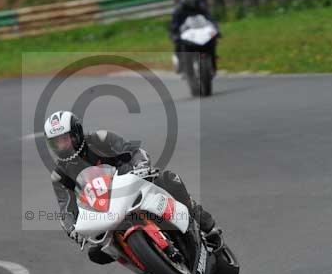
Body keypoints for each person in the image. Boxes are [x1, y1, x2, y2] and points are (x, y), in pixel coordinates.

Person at [45, 110, 216, 265]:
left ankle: (206, 226)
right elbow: (66, 209)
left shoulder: (100, 139)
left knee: (168, 180)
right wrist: (73, 229)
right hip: (104, 209)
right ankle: (143, 263)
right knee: (96, 254)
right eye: (56, 143)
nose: (62, 146)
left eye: (65, 139)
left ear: (77, 133)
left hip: (133, 184)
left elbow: (134, 151)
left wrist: (141, 165)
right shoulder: (60, 175)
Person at [170, 0, 220, 73]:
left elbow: (210, 18)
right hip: (186, 32)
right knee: (178, 43)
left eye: (195, 2)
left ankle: (213, 61)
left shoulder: (201, 7)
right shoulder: (179, 10)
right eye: (192, 3)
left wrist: (216, 29)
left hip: (200, 30)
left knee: (213, 41)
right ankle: (179, 61)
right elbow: (174, 24)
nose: (193, 5)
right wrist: (175, 34)